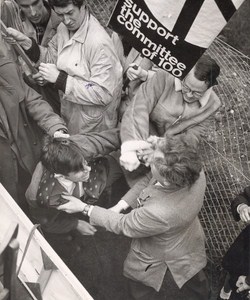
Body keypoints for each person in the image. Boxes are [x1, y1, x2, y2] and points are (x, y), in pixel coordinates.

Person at [56, 133, 209, 300]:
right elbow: (152, 180)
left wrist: (85, 208)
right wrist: (120, 205)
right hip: (187, 238)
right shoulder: (195, 172)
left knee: (140, 287)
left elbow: (124, 224)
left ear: (166, 180)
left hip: (156, 253)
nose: (149, 161)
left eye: (153, 163)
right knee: (193, 274)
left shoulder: (158, 212)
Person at [6, 0, 123, 134]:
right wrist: (27, 44)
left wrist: (60, 80)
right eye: (60, 15)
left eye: (70, 13)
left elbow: (104, 93)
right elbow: (52, 56)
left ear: (83, 6)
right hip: (73, 114)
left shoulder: (98, 43)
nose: (66, 20)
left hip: (94, 126)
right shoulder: (64, 28)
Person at [120, 54, 221, 172]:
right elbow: (139, 107)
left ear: (209, 87)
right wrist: (136, 144)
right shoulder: (164, 76)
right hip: (139, 134)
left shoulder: (213, 104)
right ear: (182, 75)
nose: (188, 95)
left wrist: (162, 146)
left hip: (165, 154)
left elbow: (193, 137)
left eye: (197, 93)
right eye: (186, 87)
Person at [0, 41, 67, 212]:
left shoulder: (7, 69)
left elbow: (35, 102)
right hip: (4, 175)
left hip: (28, 158)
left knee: (39, 200)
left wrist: (56, 128)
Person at [25, 128, 122, 235]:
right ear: (60, 176)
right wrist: (75, 224)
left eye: (85, 163)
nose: (88, 169)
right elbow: (48, 223)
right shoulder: (40, 196)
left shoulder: (79, 146)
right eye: (80, 170)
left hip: (102, 171)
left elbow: (116, 136)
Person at [16, 0, 62, 114]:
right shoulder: (14, 20)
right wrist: (27, 71)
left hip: (61, 92)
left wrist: (53, 73)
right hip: (31, 94)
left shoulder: (63, 17)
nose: (33, 13)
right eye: (25, 6)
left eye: (36, 3)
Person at [218, 186, 250, 300]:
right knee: (232, 270)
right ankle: (224, 294)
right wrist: (242, 207)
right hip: (246, 246)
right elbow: (244, 196)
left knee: (241, 292)